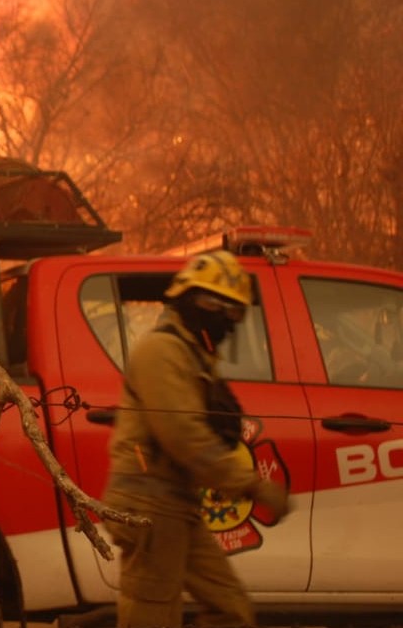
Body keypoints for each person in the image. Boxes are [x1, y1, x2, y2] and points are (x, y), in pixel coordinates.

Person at [102, 250, 290, 628]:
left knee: (231, 610)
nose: (232, 325)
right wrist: (251, 485)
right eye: (230, 313)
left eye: (239, 315)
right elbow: (183, 436)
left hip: (178, 503)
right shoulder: (161, 351)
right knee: (151, 617)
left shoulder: (192, 356)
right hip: (149, 504)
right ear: (204, 304)